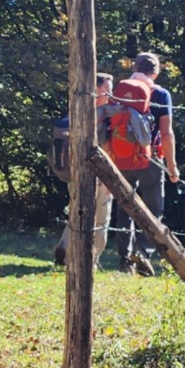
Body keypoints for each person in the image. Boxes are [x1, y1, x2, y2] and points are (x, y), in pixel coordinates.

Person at [111, 52, 179, 276]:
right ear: (156, 72)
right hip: (150, 158)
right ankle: (143, 251)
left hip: (121, 157)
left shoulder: (120, 91)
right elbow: (167, 133)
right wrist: (172, 165)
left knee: (124, 209)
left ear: (134, 67)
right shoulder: (160, 94)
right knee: (154, 210)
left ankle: (125, 262)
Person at [51, 73, 115, 266]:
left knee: (77, 213)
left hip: (75, 175)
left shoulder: (75, 114)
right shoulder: (101, 117)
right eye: (108, 89)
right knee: (100, 219)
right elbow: (106, 149)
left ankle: (64, 247)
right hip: (98, 176)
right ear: (96, 89)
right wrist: (108, 181)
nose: (111, 94)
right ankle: (92, 259)